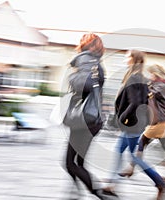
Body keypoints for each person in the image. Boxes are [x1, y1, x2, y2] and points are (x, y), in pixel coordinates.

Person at [63, 33, 115, 199]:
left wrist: (72, 76)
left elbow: (82, 85)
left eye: (83, 41)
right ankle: (78, 192)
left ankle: (98, 193)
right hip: (92, 119)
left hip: (83, 119)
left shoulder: (85, 60)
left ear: (89, 45)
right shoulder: (97, 64)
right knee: (78, 163)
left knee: (70, 163)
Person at [118, 64, 165, 200]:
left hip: (159, 122)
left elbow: (150, 94)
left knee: (141, 143)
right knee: (161, 145)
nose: (149, 76)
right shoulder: (158, 84)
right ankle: (135, 170)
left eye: (150, 74)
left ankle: (158, 181)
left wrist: (142, 85)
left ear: (155, 74)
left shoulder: (161, 85)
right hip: (161, 122)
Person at [104, 49, 149, 192]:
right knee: (119, 150)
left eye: (127, 57)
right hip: (137, 122)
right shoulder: (141, 77)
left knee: (134, 156)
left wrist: (123, 117)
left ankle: (159, 180)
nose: (125, 59)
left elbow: (135, 102)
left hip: (132, 123)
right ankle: (112, 183)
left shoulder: (133, 78)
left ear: (134, 59)